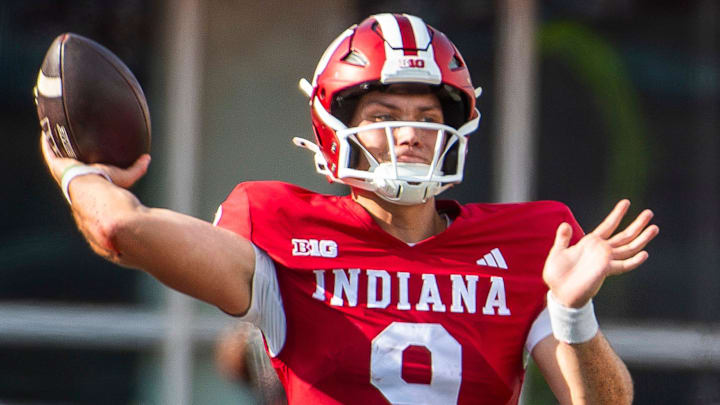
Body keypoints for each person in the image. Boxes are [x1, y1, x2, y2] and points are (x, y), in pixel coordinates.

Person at [41, 13, 658, 405]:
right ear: (336, 129)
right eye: (385, 117)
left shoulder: (531, 243)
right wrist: (76, 168)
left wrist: (572, 313)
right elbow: (120, 227)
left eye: (427, 117)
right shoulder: (281, 227)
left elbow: (603, 404)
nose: (411, 135)